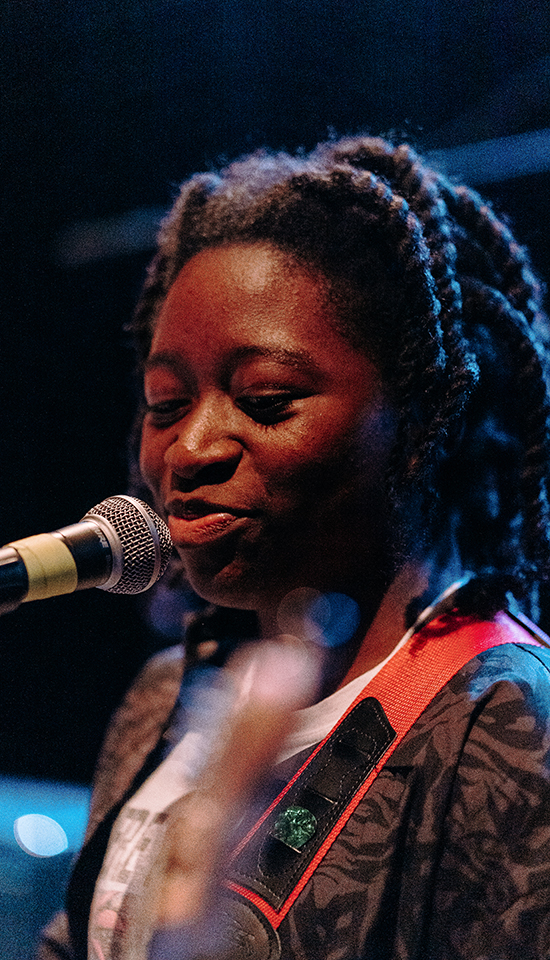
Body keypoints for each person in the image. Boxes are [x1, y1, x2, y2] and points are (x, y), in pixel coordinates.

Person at [38, 134, 550, 960]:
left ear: (422, 420)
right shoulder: (166, 698)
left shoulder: (504, 721)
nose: (193, 445)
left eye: (265, 398)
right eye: (166, 404)